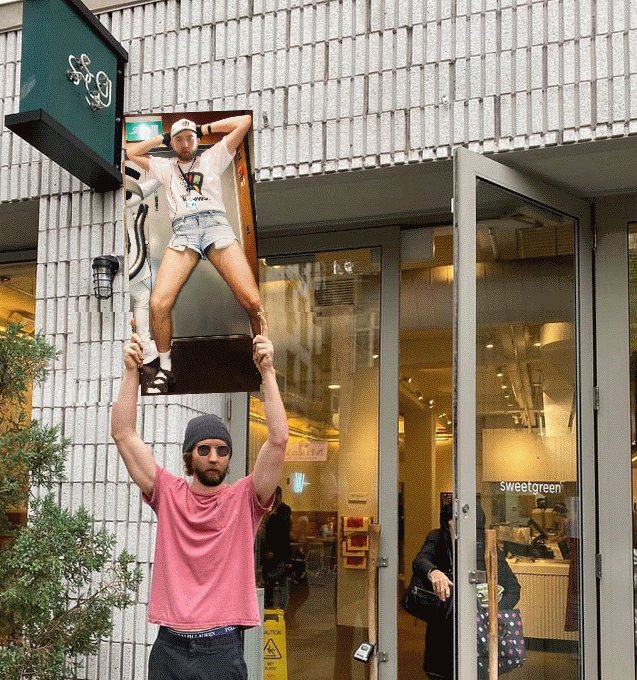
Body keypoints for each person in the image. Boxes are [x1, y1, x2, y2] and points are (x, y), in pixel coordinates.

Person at [110, 327, 288, 680]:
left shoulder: (246, 499)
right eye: (203, 449)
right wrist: (131, 372)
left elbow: (279, 439)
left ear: (229, 457)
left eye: (222, 450)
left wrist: (267, 371)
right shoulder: (168, 493)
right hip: (170, 648)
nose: (213, 457)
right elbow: (123, 434)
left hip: (221, 650)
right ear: (189, 457)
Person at [125, 115, 264, 394]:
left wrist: (203, 128)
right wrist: (163, 137)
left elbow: (244, 122)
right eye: (179, 140)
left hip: (216, 227)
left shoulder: (212, 157)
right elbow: (132, 152)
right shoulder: (165, 167)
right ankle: (166, 367)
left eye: (190, 138)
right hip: (183, 233)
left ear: (197, 140)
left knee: (252, 302)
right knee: (158, 304)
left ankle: (263, 360)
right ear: (173, 144)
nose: (185, 144)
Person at [412, 503, 520, 680]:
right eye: (454, 521)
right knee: (442, 673)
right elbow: (420, 561)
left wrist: (492, 611)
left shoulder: (486, 545)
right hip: (444, 627)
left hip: (480, 632)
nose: (460, 526)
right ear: (447, 522)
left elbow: (513, 588)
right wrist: (434, 572)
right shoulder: (438, 538)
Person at [262, 486, 292, 609]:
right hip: (268, 553)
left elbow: (283, 534)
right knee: (270, 581)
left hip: (278, 552)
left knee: (279, 579)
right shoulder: (269, 510)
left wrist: (276, 552)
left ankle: (280, 609)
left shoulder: (284, 510)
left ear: (278, 496)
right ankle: (270, 606)